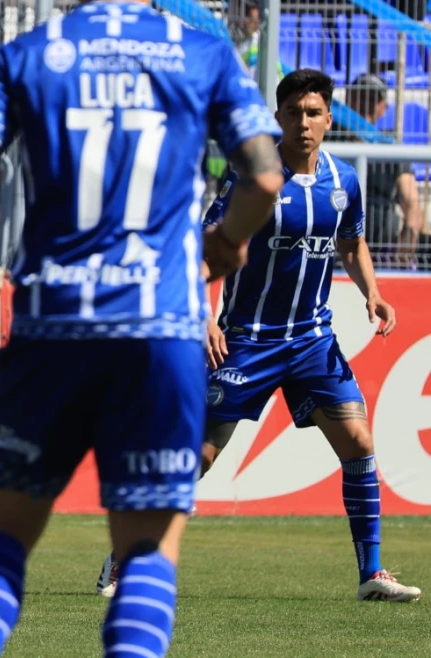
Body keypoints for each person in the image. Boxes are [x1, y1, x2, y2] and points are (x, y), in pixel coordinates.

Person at [0, 2, 285, 658]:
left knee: (4, 541)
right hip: (161, 328)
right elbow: (266, 174)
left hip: (51, 327)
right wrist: (228, 240)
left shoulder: (27, 55)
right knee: (146, 553)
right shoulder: (203, 54)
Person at [98, 70, 422, 604]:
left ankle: (372, 573)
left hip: (314, 341)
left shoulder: (345, 181)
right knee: (196, 456)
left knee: (360, 443)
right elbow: (206, 248)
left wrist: (373, 291)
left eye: (314, 113)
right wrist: (203, 315)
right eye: (294, 113)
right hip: (248, 340)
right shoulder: (253, 177)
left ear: (329, 119)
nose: (304, 123)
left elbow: (352, 242)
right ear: (278, 118)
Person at [343, 73, 423, 268]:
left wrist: (401, 256)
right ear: (348, 99)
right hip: (334, 252)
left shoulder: (390, 148)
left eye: (373, 99)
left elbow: (412, 204)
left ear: (383, 108)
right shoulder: (330, 141)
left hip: (378, 255)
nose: (366, 105)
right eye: (361, 96)